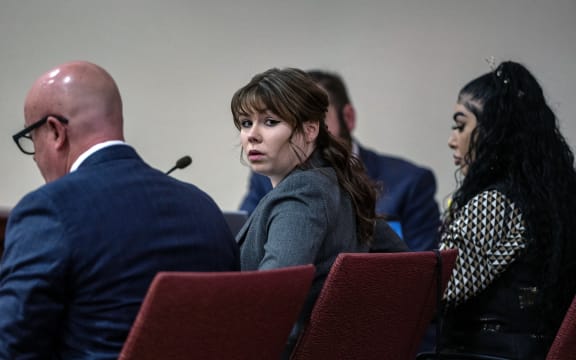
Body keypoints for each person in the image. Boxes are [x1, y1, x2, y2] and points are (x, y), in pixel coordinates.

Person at [0, 61, 239, 359]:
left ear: (54, 131)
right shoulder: (203, 208)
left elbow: (11, 347)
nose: (35, 158)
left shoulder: (50, 209)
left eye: (31, 139)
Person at [231, 68, 401, 356]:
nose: (252, 136)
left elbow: (271, 298)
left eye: (270, 122)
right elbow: (404, 264)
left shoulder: (302, 194)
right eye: (246, 123)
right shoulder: (335, 181)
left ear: (310, 130)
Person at [432, 61, 576, 359]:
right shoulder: (552, 198)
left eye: (461, 125)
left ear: (494, 131)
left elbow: (435, 288)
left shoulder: (495, 204)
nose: (451, 140)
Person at [239, 70, 441, 251]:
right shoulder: (266, 176)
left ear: (349, 118)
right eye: (246, 123)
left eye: (317, 121)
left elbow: (420, 272)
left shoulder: (410, 181)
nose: (309, 132)